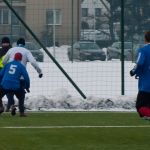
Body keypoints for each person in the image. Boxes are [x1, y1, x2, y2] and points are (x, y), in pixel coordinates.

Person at [2, 37, 43, 113]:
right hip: (20, 78)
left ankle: (11, 105)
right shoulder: (26, 51)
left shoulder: (11, 50)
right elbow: (33, 62)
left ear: (17, 44)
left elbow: (4, 61)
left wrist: (6, 69)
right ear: (24, 45)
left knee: (9, 91)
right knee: (21, 95)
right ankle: (21, 111)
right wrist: (39, 72)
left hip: (9, 77)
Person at [130, 31, 150, 119]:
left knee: (140, 107)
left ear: (145, 39)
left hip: (146, 86)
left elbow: (140, 63)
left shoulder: (143, 50)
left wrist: (133, 71)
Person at [0, 37, 15, 112]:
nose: (5, 44)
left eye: (5, 43)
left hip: (2, 73)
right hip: (10, 74)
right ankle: (11, 105)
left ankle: (2, 106)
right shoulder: (12, 51)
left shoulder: (1, 51)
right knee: (9, 91)